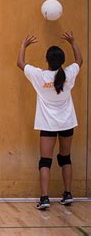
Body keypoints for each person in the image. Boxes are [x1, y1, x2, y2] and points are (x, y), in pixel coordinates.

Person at [17, 31, 83, 210]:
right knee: (65, 158)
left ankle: (45, 198)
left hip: (48, 125)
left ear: (47, 60)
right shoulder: (68, 73)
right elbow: (79, 61)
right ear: (62, 61)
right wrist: (73, 42)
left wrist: (23, 45)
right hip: (67, 123)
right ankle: (68, 194)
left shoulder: (41, 76)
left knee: (45, 161)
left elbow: (20, 63)